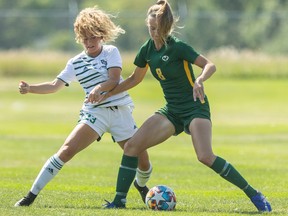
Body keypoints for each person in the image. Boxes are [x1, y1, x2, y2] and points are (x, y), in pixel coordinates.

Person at [101, 0, 272, 212]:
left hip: (194, 107)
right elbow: (134, 79)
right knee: (132, 147)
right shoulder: (146, 50)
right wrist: (106, 93)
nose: (153, 32)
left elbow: (210, 64)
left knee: (205, 156)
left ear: (166, 27)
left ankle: (253, 194)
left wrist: (200, 80)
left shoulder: (178, 47)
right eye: (150, 27)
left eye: (157, 28)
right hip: (171, 111)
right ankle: (119, 202)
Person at [14, 6, 152, 207]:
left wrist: (98, 88)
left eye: (93, 37)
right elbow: (54, 86)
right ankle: (30, 197)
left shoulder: (111, 52)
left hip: (120, 112)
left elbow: (114, 80)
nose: (89, 42)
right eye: (84, 38)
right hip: (95, 113)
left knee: (143, 162)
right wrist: (30, 88)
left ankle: (141, 186)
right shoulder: (75, 62)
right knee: (67, 150)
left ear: (101, 35)